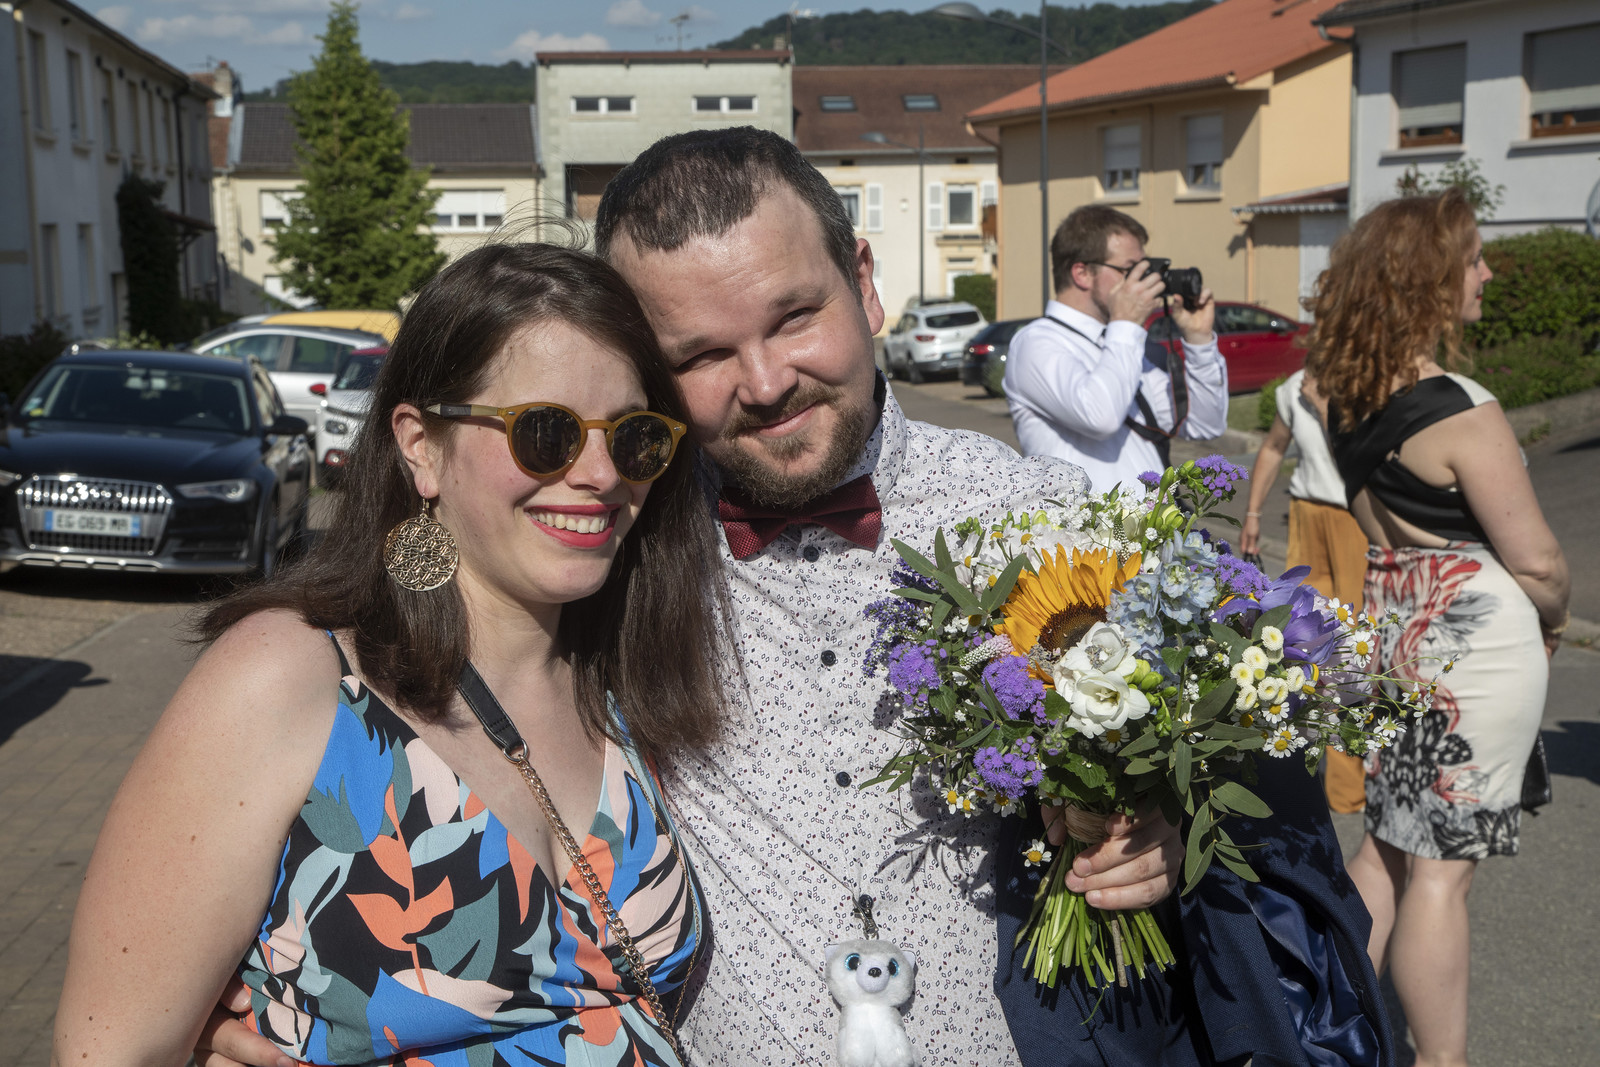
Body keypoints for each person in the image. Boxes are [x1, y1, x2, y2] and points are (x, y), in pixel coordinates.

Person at [197, 128, 1382, 1067]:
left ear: (862, 280)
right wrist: (245, 1006)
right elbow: (388, 710)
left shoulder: (1053, 525)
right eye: (700, 355)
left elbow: (1246, 798)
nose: (764, 382)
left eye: (792, 317)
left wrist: (1167, 827)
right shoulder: (608, 543)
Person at [53, 244, 734, 1065]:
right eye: (545, 432)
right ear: (420, 445)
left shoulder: (622, 676)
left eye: (633, 437)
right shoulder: (285, 676)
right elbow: (109, 1049)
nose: (599, 474)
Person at [1303, 188, 1570, 1067]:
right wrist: (1557, 617)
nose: (1486, 273)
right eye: (1473, 259)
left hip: (1394, 628)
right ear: (1428, 279)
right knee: (1442, 872)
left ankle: (1320, 1032)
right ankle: (1440, 1059)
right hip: (1471, 644)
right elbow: (1537, 560)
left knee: (1387, 848)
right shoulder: (1457, 407)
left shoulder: (1341, 399)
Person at [1003, 205, 1229, 495]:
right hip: (1086, 524)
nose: (1144, 282)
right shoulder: (1035, 343)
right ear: (1082, 273)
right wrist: (1126, 325)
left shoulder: (1123, 343)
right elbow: (1100, 418)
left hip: (1154, 521)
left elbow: (1204, 425)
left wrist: (1199, 341)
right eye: (1131, 270)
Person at [1239, 368, 1369, 813]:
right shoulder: (1294, 385)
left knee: (1347, 652)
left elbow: (1361, 460)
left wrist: (1326, 409)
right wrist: (1253, 513)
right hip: (1307, 512)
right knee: (1303, 644)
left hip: (1355, 518)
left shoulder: (1369, 380)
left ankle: (1348, 791)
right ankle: (1300, 773)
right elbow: (1275, 446)